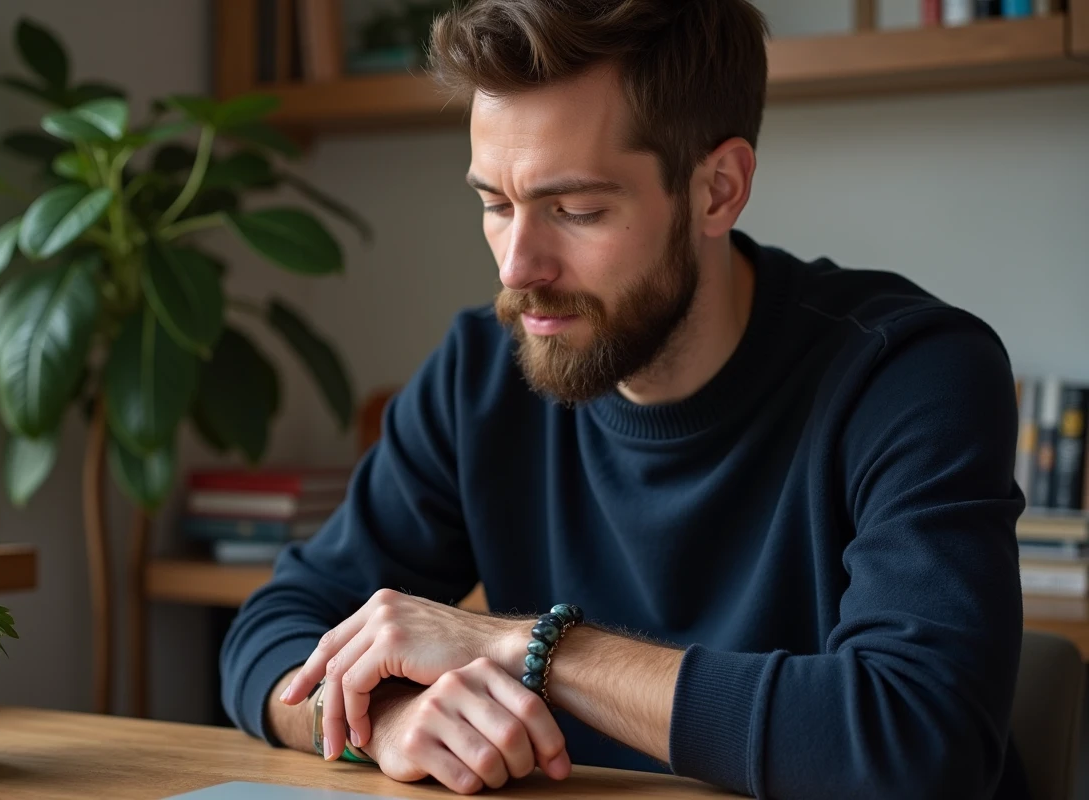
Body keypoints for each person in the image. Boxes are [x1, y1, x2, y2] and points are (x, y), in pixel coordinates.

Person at [221, 1, 1030, 797]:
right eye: (496, 206)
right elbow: (272, 631)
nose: (516, 267)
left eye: (575, 210)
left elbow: (920, 744)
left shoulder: (910, 374)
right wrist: (385, 720)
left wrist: (538, 649)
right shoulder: (480, 374)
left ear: (718, 189)